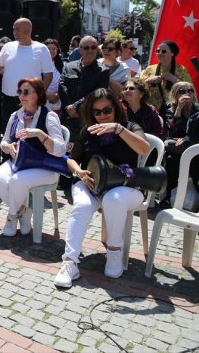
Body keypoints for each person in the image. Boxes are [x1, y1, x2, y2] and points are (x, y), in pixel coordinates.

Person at [54, 88, 151, 287]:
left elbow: (144, 148)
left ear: (116, 108)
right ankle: (69, 263)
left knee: (113, 199)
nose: (102, 116)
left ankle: (114, 251)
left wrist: (118, 129)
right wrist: (79, 172)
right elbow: (72, 160)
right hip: (93, 183)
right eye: (96, 112)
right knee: (81, 206)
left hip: (127, 185)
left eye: (107, 110)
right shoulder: (87, 131)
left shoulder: (130, 126)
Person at [0, 77, 66, 236]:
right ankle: (23, 211)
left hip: (44, 165)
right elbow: (4, 142)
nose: (21, 95)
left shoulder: (49, 116)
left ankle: (11, 216)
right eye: (19, 92)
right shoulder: (15, 116)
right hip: (19, 162)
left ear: (38, 94)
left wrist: (39, 133)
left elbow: (60, 150)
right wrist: (8, 147)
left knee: (17, 181)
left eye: (26, 92)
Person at [0, 18, 54, 133]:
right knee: (8, 135)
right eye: (13, 29)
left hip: (30, 101)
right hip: (8, 101)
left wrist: (39, 95)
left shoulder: (42, 49)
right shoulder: (8, 46)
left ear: (28, 31)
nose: (14, 33)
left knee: (28, 135)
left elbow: (48, 75)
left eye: (18, 30)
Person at [58, 36, 110, 144]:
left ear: (97, 49)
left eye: (93, 47)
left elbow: (97, 93)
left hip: (87, 118)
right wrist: (69, 107)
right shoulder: (68, 66)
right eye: (86, 48)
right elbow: (62, 86)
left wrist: (76, 107)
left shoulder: (103, 71)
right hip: (67, 116)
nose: (90, 50)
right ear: (80, 49)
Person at [140, 40, 193, 117]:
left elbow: (190, 89)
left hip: (175, 110)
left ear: (172, 53)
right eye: (158, 51)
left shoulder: (181, 69)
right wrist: (148, 81)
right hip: (152, 110)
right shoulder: (150, 69)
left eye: (163, 51)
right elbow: (138, 87)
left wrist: (174, 80)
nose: (159, 53)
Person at [44, 39, 62, 112]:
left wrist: (57, 95)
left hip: (57, 99)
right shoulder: (38, 64)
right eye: (49, 48)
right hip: (43, 98)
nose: (51, 51)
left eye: (54, 48)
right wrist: (47, 95)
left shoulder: (61, 64)